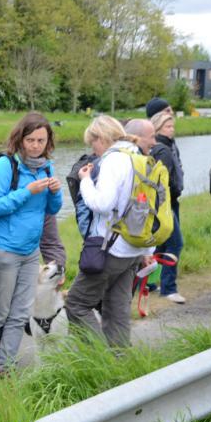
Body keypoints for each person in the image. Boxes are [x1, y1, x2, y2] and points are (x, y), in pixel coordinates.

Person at [0, 112, 62, 378]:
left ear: (48, 141)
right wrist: (26, 192)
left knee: (20, 313)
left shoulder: (47, 168)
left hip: (29, 253)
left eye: (41, 140)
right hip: (1, 250)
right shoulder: (6, 166)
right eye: (30, 139)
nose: (35, 145)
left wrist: (55, 192)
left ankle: (6, 367)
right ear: (20, 138)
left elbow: (52, 210)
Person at [65, 116, 155, 348]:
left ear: (101, 138)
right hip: (134, 248)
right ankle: (120, 362)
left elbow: (102, 203)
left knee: (76, 304)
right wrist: (148, 250)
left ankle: (99, 357)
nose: (93, 150)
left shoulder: (113, 160)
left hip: (111, 248)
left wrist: (85, 181)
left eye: (92, 143)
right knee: (117, 309)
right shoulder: (140, 158)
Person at [150, 110, 185, 304]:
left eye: (172, 126)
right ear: (157, 129)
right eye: (168, 126)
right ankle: (169, 288)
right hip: (165, 204)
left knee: (160, 244)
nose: (172, 130)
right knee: (175, 243)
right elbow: (162, 181)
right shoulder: (162, 148)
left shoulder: (168, 145)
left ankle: (149, 283)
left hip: (169, 202)